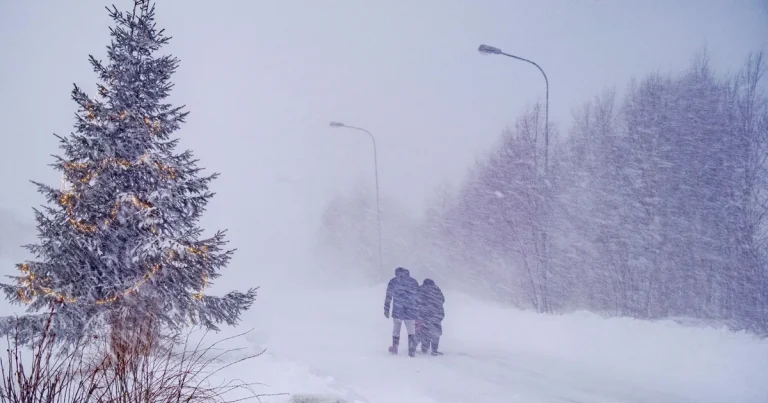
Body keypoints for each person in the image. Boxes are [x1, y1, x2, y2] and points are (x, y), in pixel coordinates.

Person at [384, 267, 420, 357]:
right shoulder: (413, 281)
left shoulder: (393, 281)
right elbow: (419, 297)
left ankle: (395, 348)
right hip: (411, 311)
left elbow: (388, 296)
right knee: (411, 331)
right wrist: (418, 310)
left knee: (396, 330)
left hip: (398, 310)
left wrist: (386, 309)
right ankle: (411, 350)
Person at [416, 278, 445, 355]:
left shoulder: (421, 289)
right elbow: (442, 300)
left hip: (424, 315)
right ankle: (434, 350)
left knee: (424, 331)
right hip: (437, 314)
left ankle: (424, 349)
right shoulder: (436, 289)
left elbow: (416, 300)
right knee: (435, 332)